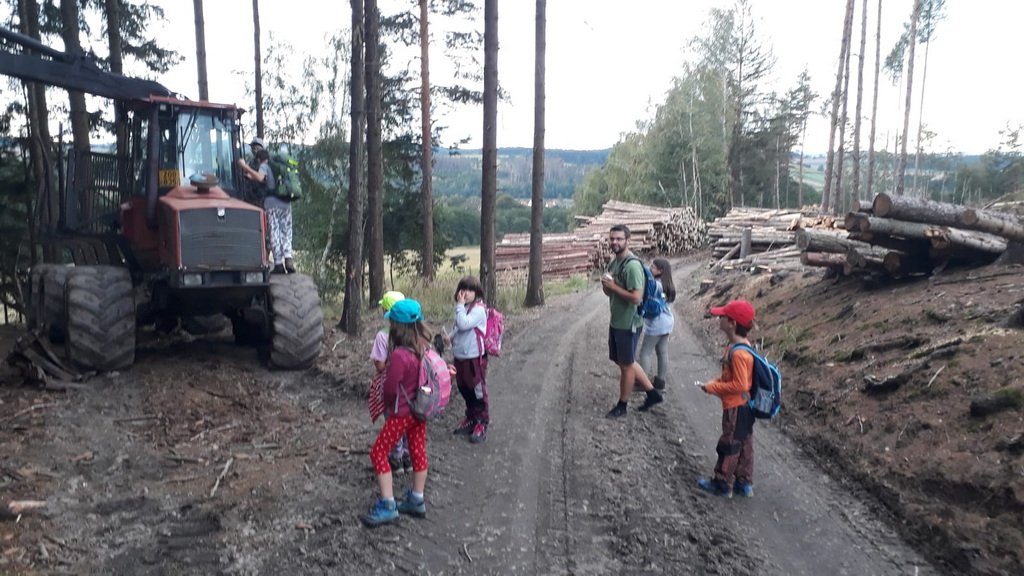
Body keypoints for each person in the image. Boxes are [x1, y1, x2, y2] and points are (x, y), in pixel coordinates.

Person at [361, 299, 433, 527]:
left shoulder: (401, 355)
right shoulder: (424, 346)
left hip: (401, 414)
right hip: (419, 410)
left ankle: (388, 505)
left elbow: (391, 388)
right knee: (417, 451)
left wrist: (387, 404)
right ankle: (417, 499)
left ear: (396, 325)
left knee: (378, 453)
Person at [696, 300, 757, 499]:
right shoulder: (740, 347)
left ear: (732, 323)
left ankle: (722, 483)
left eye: (722, 316)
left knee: (729, 444)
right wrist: (715, 382)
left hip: (736, 407)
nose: (719, 318)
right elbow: (731, 378)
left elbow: (740, 385)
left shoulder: (739, 353)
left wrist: (713, 388)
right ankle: (743, 483)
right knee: (744, 443)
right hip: (745, 406)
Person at [601, 224, 664, 418]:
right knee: (622, 361)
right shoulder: (614, 263)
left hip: (629, 323)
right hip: (617, 320)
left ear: (628, 241)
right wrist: (606, 285)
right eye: (612, 238)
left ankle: (622, 406)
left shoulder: (632, 266)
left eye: (619, 239)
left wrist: (613, 286)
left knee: (626, 365)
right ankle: (652, 393)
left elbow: (636, 297)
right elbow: (609, 293)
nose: (615, 242)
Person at [237, 142, 295, 275]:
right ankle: (288, 259)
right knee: (286, 232)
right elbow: (262, 178)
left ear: (259, 160)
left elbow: (260, 177)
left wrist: (244, 166)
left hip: (272, 204)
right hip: (286, 203)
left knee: (274, 232)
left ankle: (278, 264)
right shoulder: (279, 166)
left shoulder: (264, 165)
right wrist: (250, 176)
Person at [369, 291, 411, 475]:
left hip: (391, 385)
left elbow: (379, 365)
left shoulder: (382, 336)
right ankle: (408, 457)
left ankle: (396, 458)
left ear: (386, 311)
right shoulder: (413, 335)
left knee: (393, 420)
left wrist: (389, 364)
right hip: (410, 387)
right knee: (408, 420)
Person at [445, 275, 490, 443]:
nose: (466, 293)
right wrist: (450, 337)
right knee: (464, 389)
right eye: (463, 289)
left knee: (477, 390)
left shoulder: (478, 310)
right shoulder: (463, 308)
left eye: (471, 290)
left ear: (477, 292)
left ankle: (482, 421)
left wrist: (459, 305)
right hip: (460, 356)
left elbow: (464, 324)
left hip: (474, 358)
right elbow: (458, 326)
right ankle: (471, 418)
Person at [637, 258, 676, 391]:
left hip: (656, 323)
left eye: (653, 267)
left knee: (645, 353)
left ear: (660, 271)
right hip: (668, 322)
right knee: (662, 352)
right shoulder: (668, 285)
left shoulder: (655, 285)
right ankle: (660, 382)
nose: (650, 268)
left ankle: (643, 383)